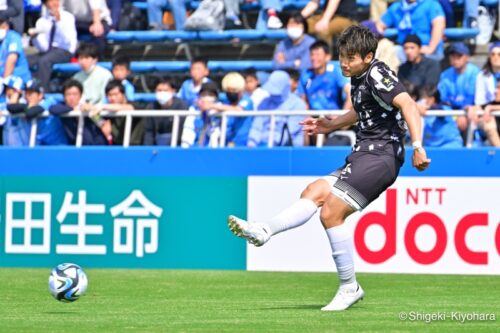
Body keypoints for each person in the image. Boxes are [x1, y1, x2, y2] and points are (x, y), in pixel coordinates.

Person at [227, 25, 430, 311]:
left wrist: (418, 145)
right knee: (313, 191)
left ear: (368, 56)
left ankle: (349, 287)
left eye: (350, 58)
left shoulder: (376, 73)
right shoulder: (359, 77)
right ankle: (264, 230)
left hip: (382, 156)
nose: (344, 63)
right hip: (363, 154)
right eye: (342, 57)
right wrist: (332, 123)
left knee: (331, 211)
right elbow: (363, 110)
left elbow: (408, 104)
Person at [247, 70, 306, 147]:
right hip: (261, 148)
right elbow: (256, 127)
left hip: (286, 152)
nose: (272, 93)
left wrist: (269, 146)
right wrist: (251, 144)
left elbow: (288, 133)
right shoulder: (264, 102)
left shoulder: (298, 105)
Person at [28, 0, 77, 92]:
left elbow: (68, 41)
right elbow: (44, 47)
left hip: (64, 50)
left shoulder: (68, 17)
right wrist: (35, 38)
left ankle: (43, 91)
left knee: (44, 61)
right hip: (49, 51)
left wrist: (59, 21)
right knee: (26, 60)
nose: (54, 3)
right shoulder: (42, 21)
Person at [377, 0, 446, 61]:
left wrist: (430, 48)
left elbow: (439, 25)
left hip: (426, 49)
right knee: (386, 48)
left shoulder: (431, 4)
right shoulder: (397, 7)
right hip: (404, 49)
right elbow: (379, 25)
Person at [198, 72, 254, 147]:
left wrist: (211, 105)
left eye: (234, 90)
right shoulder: (226, 102)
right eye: (228, 90)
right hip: (226, 143)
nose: (231, 93)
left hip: (242, 143)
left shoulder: (246, 100)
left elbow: (238, 110)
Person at [6, 78, 68, 145]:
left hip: (58, 147)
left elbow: (31, 112)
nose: (28, 96)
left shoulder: (48, 101)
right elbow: (10, 107)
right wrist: (17, 93)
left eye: (31, 93)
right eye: (27, 93)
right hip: (39, 147)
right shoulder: (26, 104)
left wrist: (26, 108)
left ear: (40, 95)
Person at [49, 79, 108, 145]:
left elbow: (101, 122)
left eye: (75, 94)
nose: (71, 97)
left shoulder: (88, 106)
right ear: (64, 96)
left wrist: (91, 110)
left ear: (81, 95)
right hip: (75, 146)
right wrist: (74, 108)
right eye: (68, 94)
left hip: (96, 145)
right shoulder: (63, 106)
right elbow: (53, 109)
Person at [438, 42, 480, 135]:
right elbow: (443, 99)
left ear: (467, 57)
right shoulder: (445, 75)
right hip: (452, 113)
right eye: (452, 56)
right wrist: (456, 116)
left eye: (459, 56)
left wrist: (463, 114)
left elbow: (471, 97)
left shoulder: (475, 72)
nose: (455, 59)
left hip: (470, 111)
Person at [143, 76, 188, 146]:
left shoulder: (181, 106)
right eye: (159, 90)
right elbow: (149, 132)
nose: (162, 93)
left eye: (165, 90)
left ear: (173, 91)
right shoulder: (151, 107)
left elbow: (181, 130)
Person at [91, 79, 137, 145]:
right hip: (115, 146)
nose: (112, 98)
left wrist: (104, 106)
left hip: (135, 146)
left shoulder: (134, 104)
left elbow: (130, 108)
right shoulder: (107, 110)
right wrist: (102, 125)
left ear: (123, 94)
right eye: (109, 95)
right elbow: (93, 114)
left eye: (115, 94)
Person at [181, 81, 221, 148]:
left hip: (216, 149)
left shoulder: (220, 109)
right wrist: (185, 147)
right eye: (204, 95)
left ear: (216, 97)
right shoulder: (193, 110)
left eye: (210, 95)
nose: (207, 97)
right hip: (196, 148)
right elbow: (188, 130)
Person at [0, 12, 31, 83]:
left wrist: (4, 83)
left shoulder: (13, 37)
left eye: (2, 25)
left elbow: (12, 60)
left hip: (18, 79)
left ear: (7, 26)